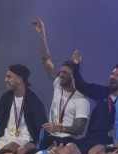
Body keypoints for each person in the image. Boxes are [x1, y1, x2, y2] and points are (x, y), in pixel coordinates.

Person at [32, 18, 90, 146]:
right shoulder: (58, 83)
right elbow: (45, 60)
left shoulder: (81, 99)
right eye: (61, 72)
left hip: (69, 140)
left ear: (74, 76)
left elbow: (79, 129)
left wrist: (58, 127)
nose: (61, 75)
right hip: (51, 136)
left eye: (65, 73)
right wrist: (42, 36)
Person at [70, 50, 118, 154]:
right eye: (112, 74)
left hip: (110, 141)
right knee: (67, 150)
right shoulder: (101, 92)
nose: (113, 77)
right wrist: (76, 65)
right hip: (91, 137)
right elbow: (81, 85)